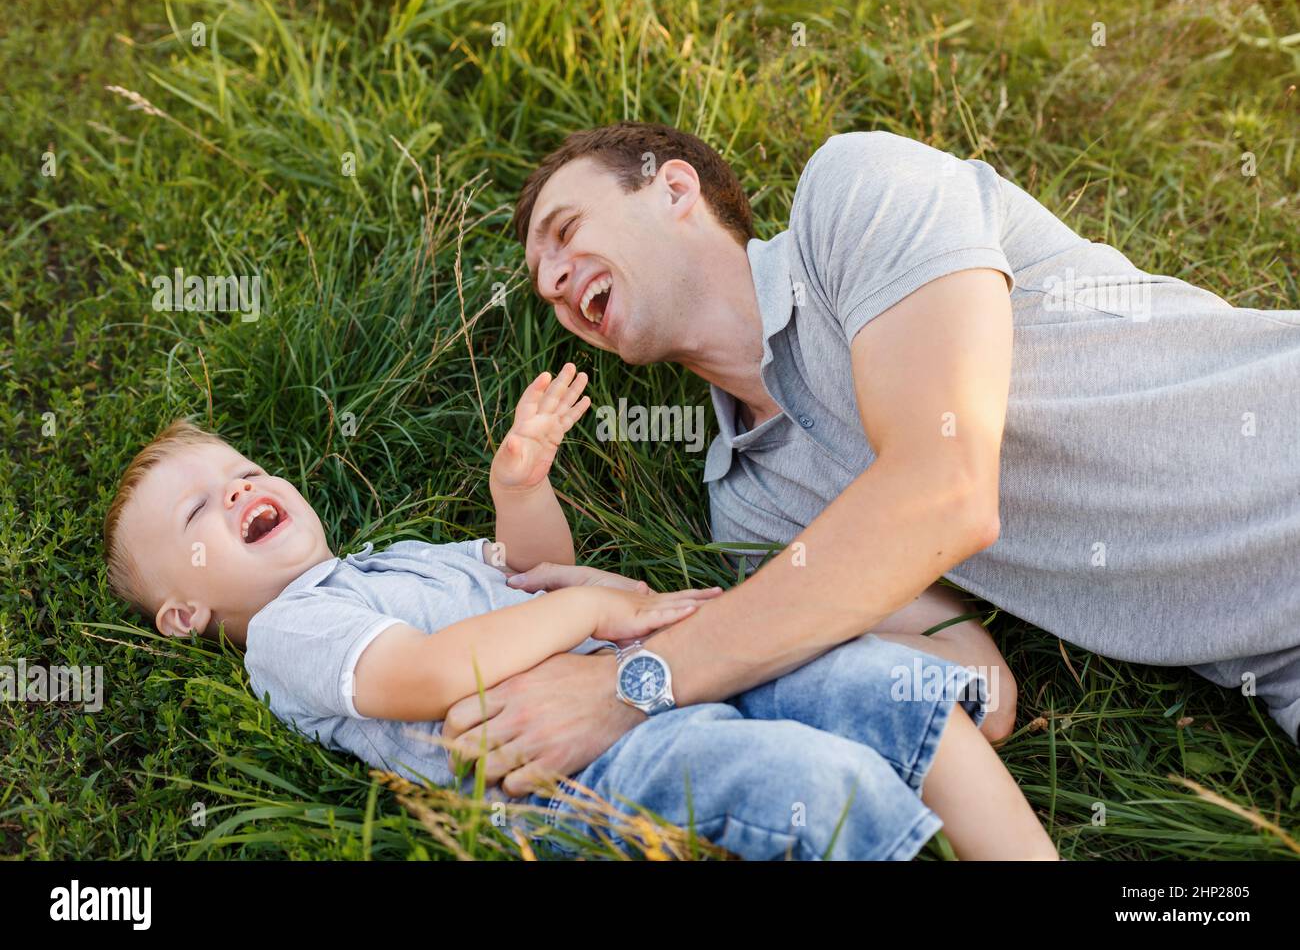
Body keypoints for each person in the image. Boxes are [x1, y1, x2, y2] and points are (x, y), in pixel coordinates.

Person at [455, 121, 1300, 795]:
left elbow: (944, 491)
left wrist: (630, 687)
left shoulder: (855, 196)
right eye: (543, 284)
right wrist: (626, 615)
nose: (559, 282)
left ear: (673, 187)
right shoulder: (751, 504)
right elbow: (976, 684)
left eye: (567, 234)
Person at [101, 366, 1055, 859]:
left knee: (860, 677)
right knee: (793, 774)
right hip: (575, 774)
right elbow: (428, 678)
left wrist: (520, 486)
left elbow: (534, 574)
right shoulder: (288, 633)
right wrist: (602, 603)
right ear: (185, 614)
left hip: (647, 686)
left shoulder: (391, 563)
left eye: (243, 472)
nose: (238, 492)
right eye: (198, 511)